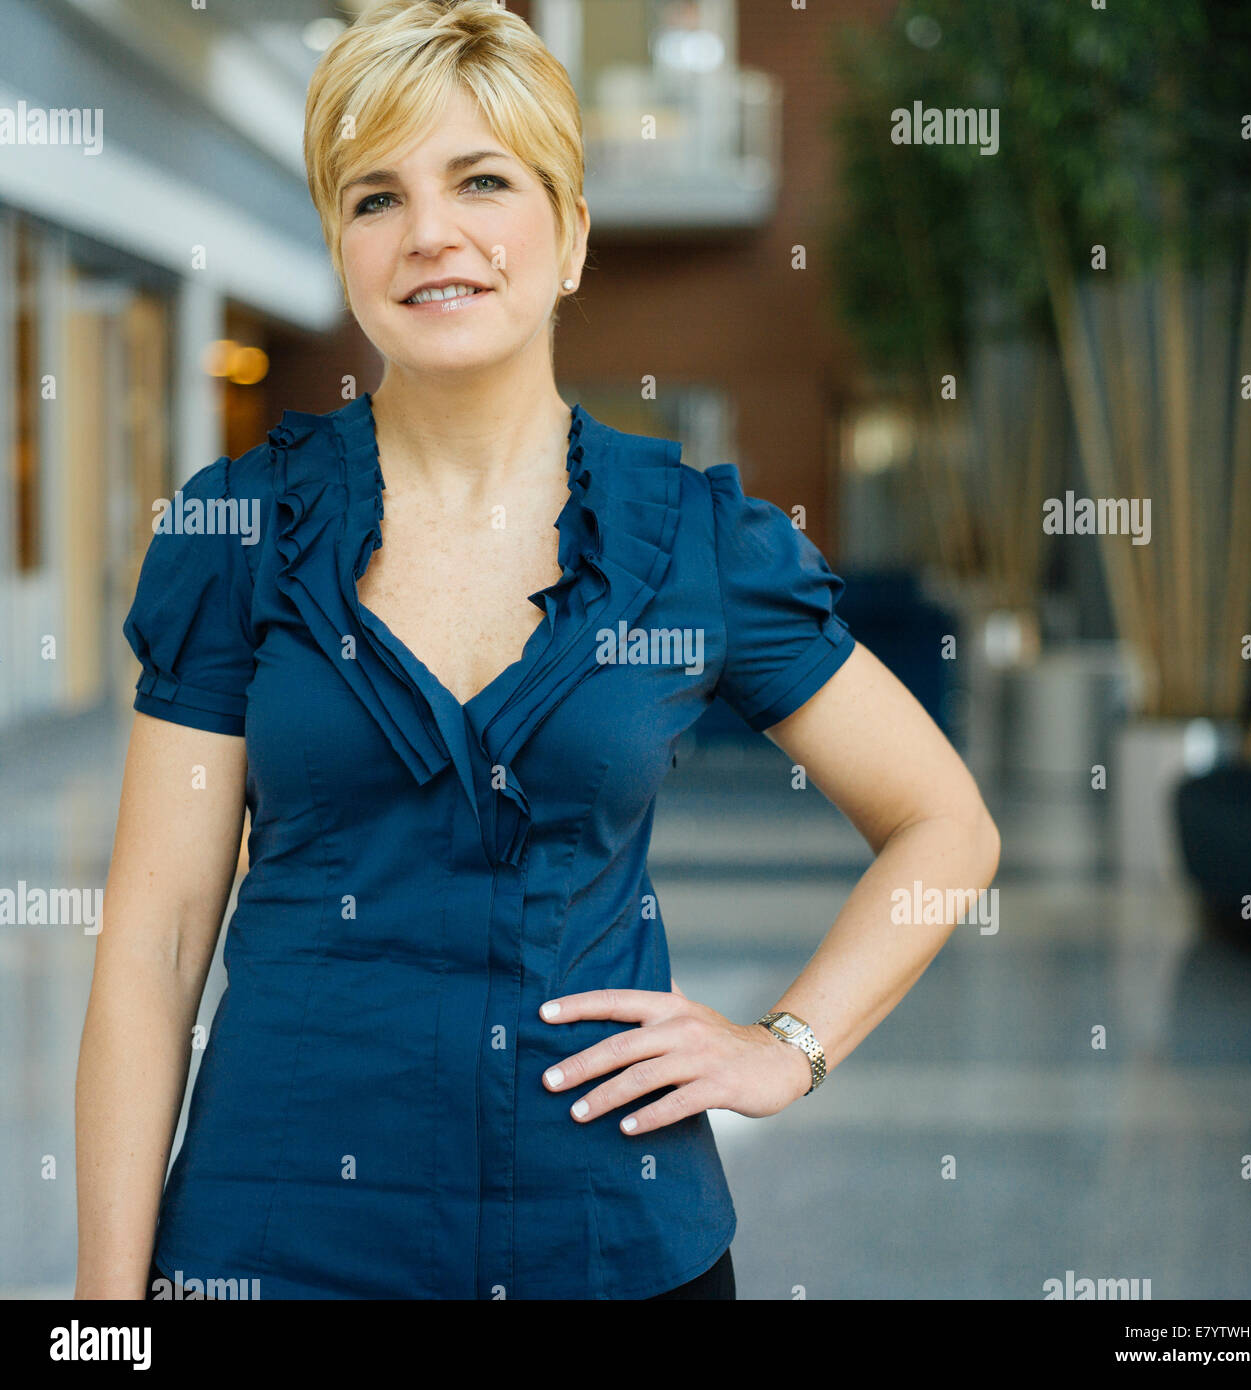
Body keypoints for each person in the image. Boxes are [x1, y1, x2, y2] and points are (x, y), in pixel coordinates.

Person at [74, 0, 999, 1301]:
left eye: (482, 180)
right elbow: (156, 938)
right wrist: (102, 1318)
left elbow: (945, 824)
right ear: (340, 243)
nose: (430, 233)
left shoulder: (694, 542)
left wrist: (788, 1045)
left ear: (569, 236)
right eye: (375, 195)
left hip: (605, 1241)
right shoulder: (241, 533)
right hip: (275, 1242)